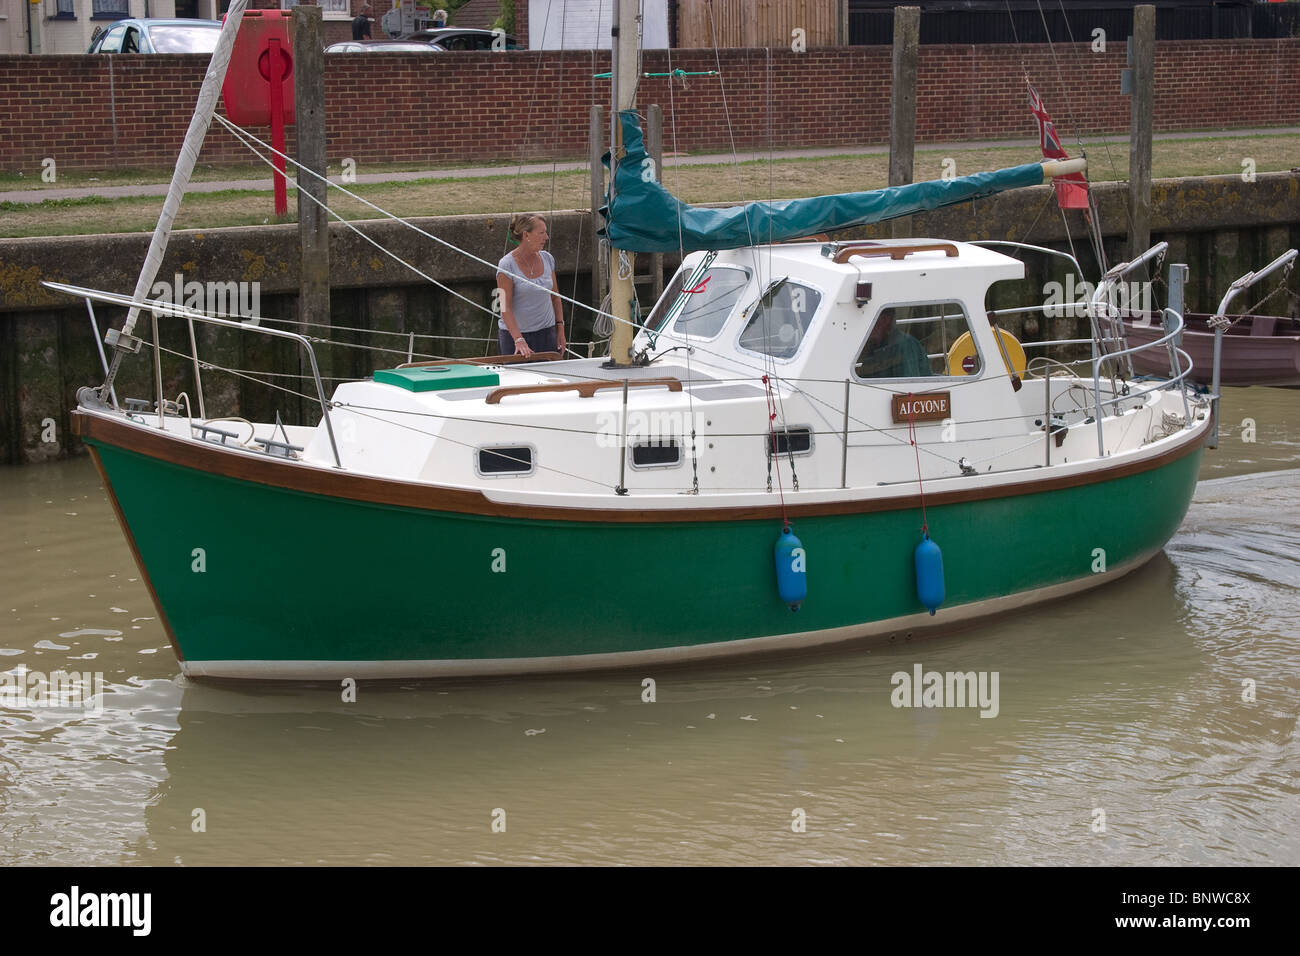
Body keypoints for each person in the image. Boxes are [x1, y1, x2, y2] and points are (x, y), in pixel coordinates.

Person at [496, 214, 565, 358]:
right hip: (515, 338)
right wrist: (518, 339)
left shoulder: (548, 259)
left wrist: (560, 329)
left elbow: (556, 298)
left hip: (547, 334)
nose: (546, 237)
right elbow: (504, 307)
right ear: (526, 235)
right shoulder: (506, 265)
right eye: (541, 233)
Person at [856, 311, 931, 378]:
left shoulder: (903, 346)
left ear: (885, 320)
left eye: (868, 320)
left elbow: (907, 387)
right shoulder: (874, 344)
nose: (863, 326)